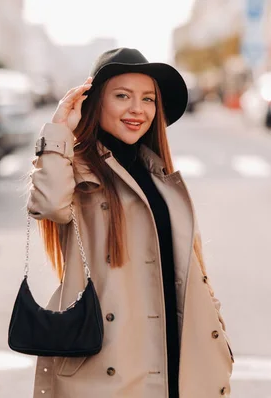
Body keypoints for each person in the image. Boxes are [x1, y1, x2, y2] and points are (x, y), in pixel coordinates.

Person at [27, 48, 233, 398]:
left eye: (148, 99)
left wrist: (217, 329)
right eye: (122, 96)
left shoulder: (162, 177)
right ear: (93, 103)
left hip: (181, 362)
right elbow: (47, 205)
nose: (138, 109)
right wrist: (59, 127)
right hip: (109, 368)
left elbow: (192, 267)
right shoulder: (76, 170)